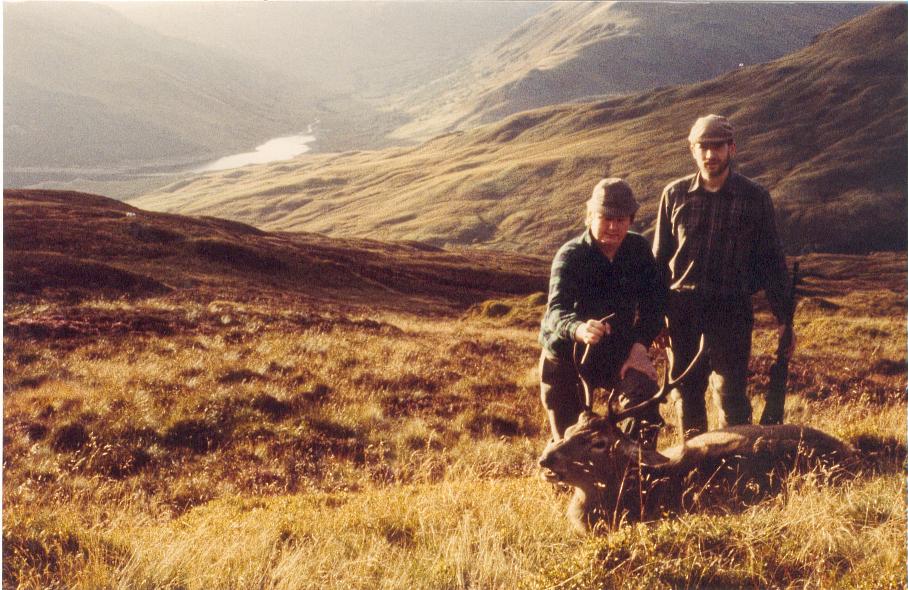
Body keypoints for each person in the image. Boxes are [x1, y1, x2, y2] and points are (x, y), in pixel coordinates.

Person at [653, 114, 795, 439]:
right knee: (686, 395)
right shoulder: (674, 195)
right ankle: (693, 469)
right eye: (703, 147)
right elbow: (659, 262)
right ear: (692, 151)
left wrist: (784, 318)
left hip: (731, 311)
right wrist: (655, 318)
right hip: (682, 312)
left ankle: (736, 468)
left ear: (732, 148)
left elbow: (772, 261)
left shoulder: (754, 197)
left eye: (717, 147)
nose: (710, 155)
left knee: (731, 396)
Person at [539, 178, 667, 448]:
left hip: (617, 352)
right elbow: (555, 313)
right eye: (605, 218)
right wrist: (578, 329)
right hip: (566, 355)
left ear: (630, 221)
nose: (613, 226)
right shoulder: (570, 256)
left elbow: (654, 304)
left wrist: (640, 346)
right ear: (589, 217)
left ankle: (634, 471)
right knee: (569, 444)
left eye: (621, 219)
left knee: (645, 410)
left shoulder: (638, 250)